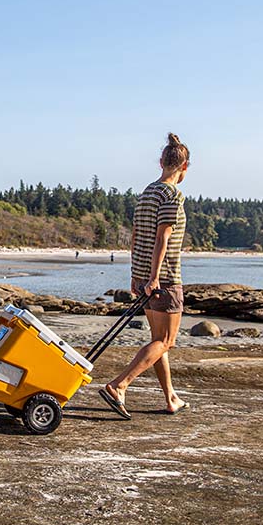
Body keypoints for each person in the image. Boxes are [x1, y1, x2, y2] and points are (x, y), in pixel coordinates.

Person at [99, 133, 191, 418]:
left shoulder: (147, 192)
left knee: (157, 340)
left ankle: (171, 397)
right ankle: (119, 385)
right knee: (166, 341)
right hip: (164, 278)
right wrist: (154, 277)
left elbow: (136, 235)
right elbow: (162, 237)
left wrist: (136, 275)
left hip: (143, 275)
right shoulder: (172, 195)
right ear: (184, 167)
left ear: (161, 162)